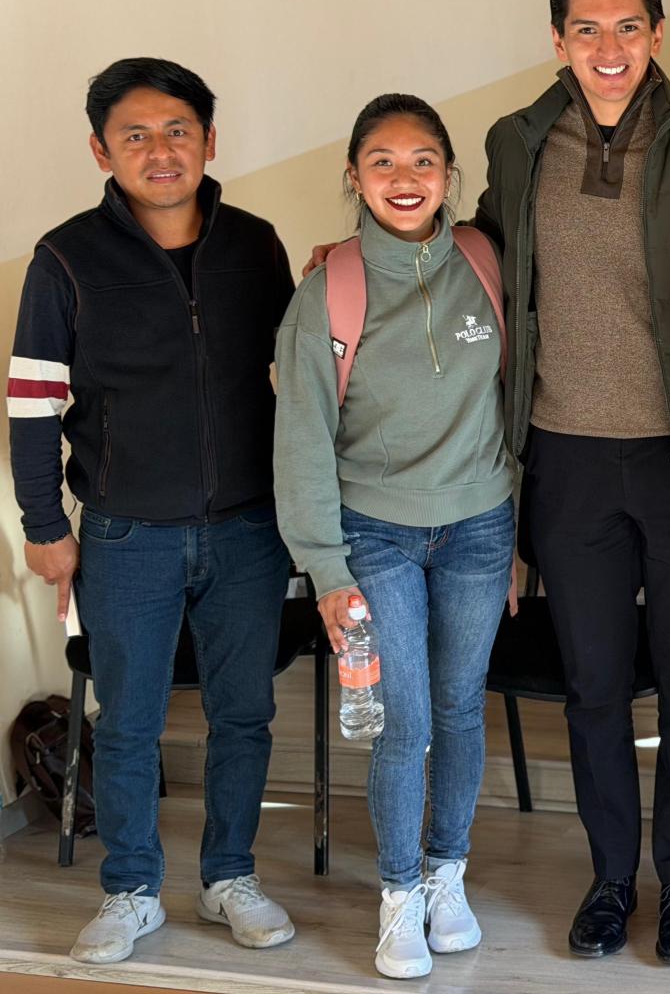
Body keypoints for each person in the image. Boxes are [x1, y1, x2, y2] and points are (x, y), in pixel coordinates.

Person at [472, 0, 670, 963]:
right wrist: (354, 255)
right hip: (566, 459)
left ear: (657, 33)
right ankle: (609, 878)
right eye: (587, 30)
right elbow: (484, 261)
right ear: (557, 39)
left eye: (628, 27)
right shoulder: (515, 141)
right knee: (593, 685)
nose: (609, 48)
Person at [7, 57, 296, 964]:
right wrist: (44, 526)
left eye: (177, 131)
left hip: (249, 527)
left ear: (209, 141)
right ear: (102, 150)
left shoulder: (256, 245)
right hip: (125, 533)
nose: (159, 150)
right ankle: (131, 889)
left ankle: (228, 878)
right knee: (129, 721)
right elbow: (31, 401)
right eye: (135, 135)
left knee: (243, 714)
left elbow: (303, 377)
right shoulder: (65, 257)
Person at [274, 94, 516, 980]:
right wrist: (325, 568)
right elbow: (301, 439)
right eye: (382, 162)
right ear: (354, 176)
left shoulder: (485, 260)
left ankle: (448, 874)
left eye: (423, 161)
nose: (405, 179)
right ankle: (398, 891)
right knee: (404, 721)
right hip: (373, 536)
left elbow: (514, 397)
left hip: (480, 529)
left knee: (459, 708)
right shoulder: (326, 291)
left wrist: (516, 537)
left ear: (449, 174)